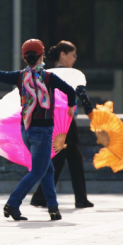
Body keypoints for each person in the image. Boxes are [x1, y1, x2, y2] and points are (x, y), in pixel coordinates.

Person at [0, 39, 77, 221]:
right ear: (42, 56)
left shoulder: (20, 77)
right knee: (37, 171)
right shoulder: (48, 77)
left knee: (47, 169)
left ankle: (53, 209)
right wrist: (71, 106)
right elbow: (70, 91)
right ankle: (12, 204)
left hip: (26, 130)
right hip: (43, 132)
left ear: (24, 57)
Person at [30, 41, 95, 209]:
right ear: (63, 55)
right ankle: (42, 196)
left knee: (71, 159)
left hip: (51, 120)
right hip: (65, 120)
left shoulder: (46, 73)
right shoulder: (72, 74)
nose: (74, 59)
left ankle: (77, 198)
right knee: (61, 160)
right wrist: (91, 113)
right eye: (73, 55)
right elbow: (82, 95)